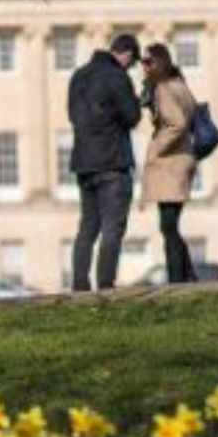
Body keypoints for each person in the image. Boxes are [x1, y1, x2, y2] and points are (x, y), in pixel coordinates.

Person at [68, 32, 143, 290]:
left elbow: (73, 116)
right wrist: (135, 100)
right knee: (113, 227)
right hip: (112, 163)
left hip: (84, 163)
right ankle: (106, 284)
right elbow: (132, 117)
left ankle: (79, 284)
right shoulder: (117, 77)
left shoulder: (78, 76)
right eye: (132, 64)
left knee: (88, 227)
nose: (131, 68)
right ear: (127, 55)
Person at [139, 42, 199, 283]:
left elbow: (176, 124)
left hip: (170, 163)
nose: (144, 67)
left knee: (168, 226)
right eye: (142, 62)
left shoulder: (164, 88)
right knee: (170, 225)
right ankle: (188, 274)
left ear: (160, 63)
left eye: (148, 62)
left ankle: (177, 279)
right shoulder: (179, 85)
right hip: (182, 159)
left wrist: (155, 149)